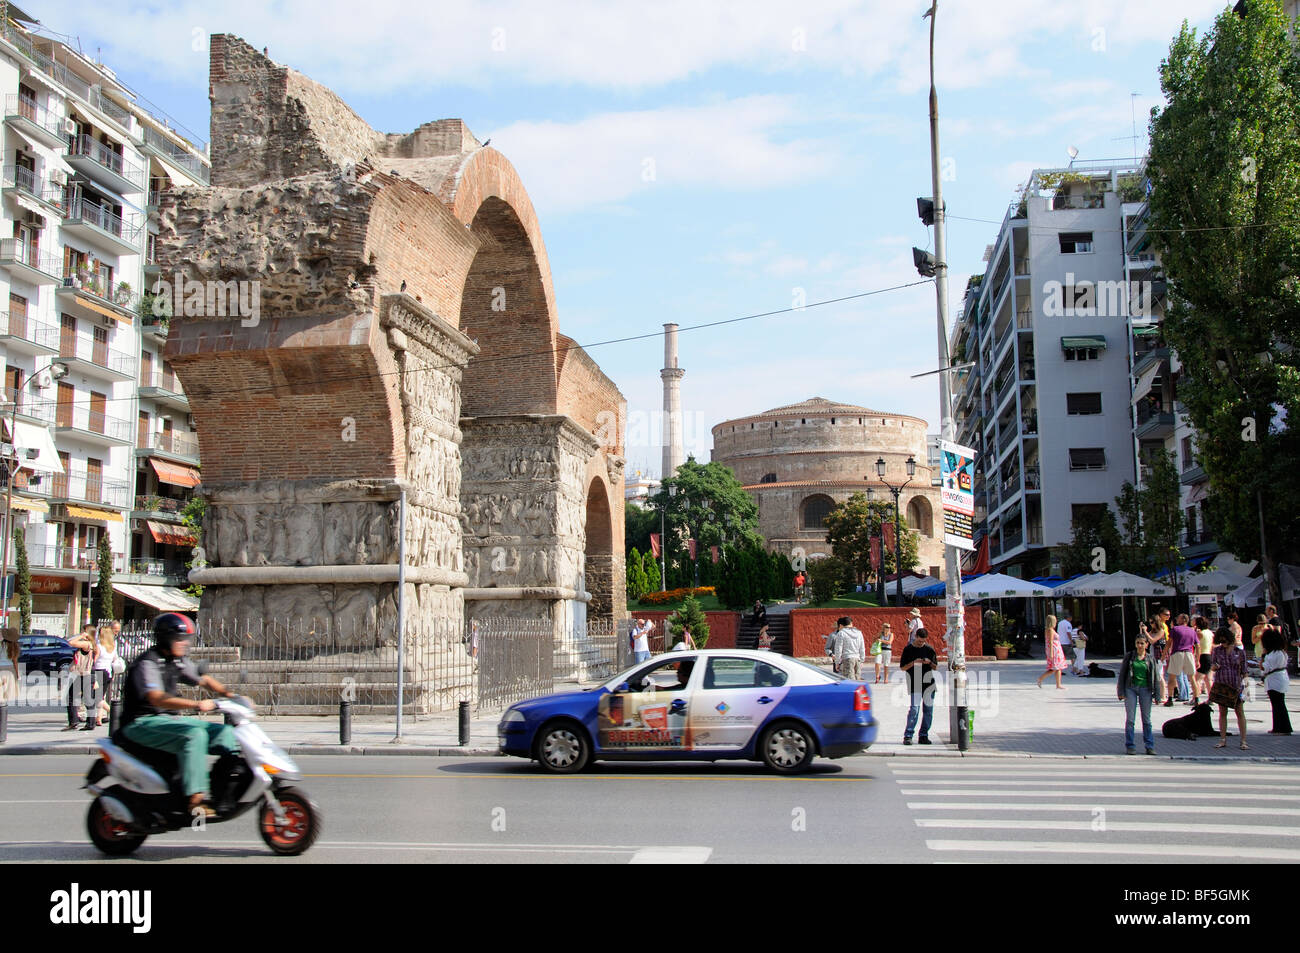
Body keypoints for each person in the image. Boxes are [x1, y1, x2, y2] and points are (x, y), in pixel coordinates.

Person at [120, 614, 239, 815]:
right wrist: (196, 704)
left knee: (226, 733)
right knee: (194, 735)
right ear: (166, 638)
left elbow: (203, 679)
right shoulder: (148, 663)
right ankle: (195, 799)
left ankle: (224, 790)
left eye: (187, 639)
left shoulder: (177, 661)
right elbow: (156, 698)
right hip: (141, 723)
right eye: (180, 639)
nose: (185, 644)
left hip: (167, 721)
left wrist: (231, 695)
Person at [1209, 626, 1248, 751]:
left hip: (1235, 685)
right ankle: (1222, 739)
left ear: (1229, 639)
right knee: (1222, 712)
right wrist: (1214, 667)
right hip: (1221, 684)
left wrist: (1247, 687)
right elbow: (1212, 666)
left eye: (1224, 641)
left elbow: (1244, 670)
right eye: (1220, 641)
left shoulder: (1239, 652)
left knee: (1240, 712)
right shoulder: (1217, 651)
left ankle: (1243, 741)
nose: (1223, 644)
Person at [1117, 632, 1157, 755]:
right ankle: (1130, 745)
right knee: (1130, 719)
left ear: (1146, 644)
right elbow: (1122, 674)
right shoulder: (1129, 657)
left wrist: (1158, 694)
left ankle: (1149, 746)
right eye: (1138, 643)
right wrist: (1121, 691)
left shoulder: (1150, 658)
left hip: (1146, 689)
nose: (1140, 645)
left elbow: (1156, 677)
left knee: (1147, 719)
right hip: (1131, 688)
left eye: (1142, 643)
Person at [900, 626, 938, 745]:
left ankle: (923, 735)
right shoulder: (908, 649)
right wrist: (914, 663)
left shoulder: (929, 649)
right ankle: (908, 735)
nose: (922, 643)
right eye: (920, 640)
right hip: (915, 682)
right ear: (915, 637)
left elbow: (935, 667)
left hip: (929, 683)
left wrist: (929, 662)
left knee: (928, 711)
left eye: (924, 641)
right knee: (914, 709)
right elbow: (902, 667)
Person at [84, 624, 120, 731]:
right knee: (101, 696)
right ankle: (99, 718)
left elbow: (94, 661)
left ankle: (115, 712)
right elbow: (114, 660)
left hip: (99, 672)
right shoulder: (112, 647)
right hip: (108, 672)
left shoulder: (99, 647)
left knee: (97, 698)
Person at [63, 625, 97, 730]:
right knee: (74, 697)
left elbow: (70, 643)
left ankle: (87, 723)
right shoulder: (93, 644)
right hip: (83, 674)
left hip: (84, 675)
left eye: (83, 631)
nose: (81, 633)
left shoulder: (86, 644)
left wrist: (81, 636)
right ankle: (76, 721)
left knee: (85, 699)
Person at [1165, 613, 1199, 707]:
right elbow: (1197, 645)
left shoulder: (1175, 629)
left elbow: (1169, 643)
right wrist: (1197, 658)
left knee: (1172, 678)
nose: (1177, 619)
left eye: (1178, 618)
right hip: (1189, 653)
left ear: (1183, 620)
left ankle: (1170, 699)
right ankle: (1196, 699)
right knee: (1192, 678)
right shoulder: (1192, 631)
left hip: (1177, 653)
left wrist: (1164, 654)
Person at [1262, 629, 1292, 735]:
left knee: (1277, 705)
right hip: (1280, 678)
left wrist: (1262, 657)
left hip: (1274, 680)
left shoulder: (1272, 654)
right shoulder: (1281, 652)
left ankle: (1282, 728)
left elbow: (1265, 668)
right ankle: (1278, 727)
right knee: (1279, 704)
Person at [1036, 613, 1068, 689]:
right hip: (1054, 650)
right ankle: (1040, 679)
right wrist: (1051, 653)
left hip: (1057, 649)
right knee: (1054, 668)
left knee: (1058, 668)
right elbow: (1050, 641)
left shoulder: (1051, 629)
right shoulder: (1050, 630)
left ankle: (1058, 685)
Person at [832, 616, 865, 681]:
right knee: (857, 680)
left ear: (842, 625)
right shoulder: (859, 633)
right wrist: (862, 660)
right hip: (857, 658)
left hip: (847, 658)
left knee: (849, 681)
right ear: (851, 623)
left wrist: (837, 662)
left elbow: (838, 649)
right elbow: (862, 647)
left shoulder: (841, 633)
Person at [1194, 615, 1215, 701]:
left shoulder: (1200, 633)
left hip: (1202, 656)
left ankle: (1196, 698)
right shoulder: (1210, 632)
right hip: (1209, 655)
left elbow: (1196, 645)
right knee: (1208, 679)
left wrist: (1197, 659)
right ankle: (1211, 698)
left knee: (1197, 679)